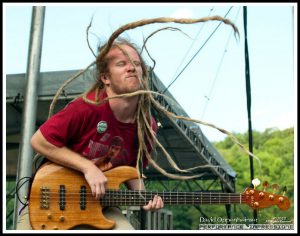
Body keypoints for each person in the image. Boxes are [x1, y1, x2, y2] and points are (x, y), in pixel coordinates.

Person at [16, 38, 164, 230]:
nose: (131, 68)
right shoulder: (87, 107)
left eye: (136, 63)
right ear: (105, 78)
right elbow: (39, 141)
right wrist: (88, 167)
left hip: (103, 206)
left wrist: (145, 198)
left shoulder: (146, 125)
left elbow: (131, 172)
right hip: (51, 201)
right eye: (122, 64)